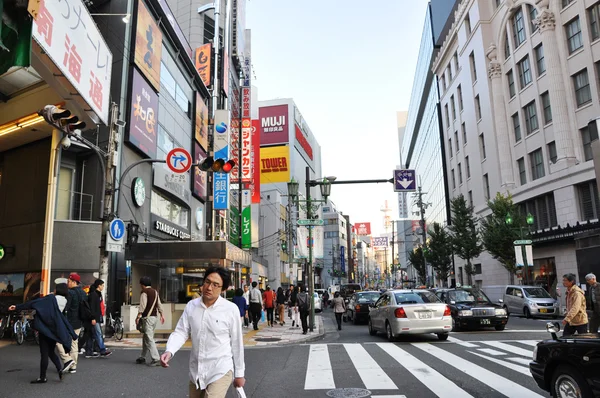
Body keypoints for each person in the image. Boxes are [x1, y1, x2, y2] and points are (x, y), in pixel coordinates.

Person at [161, 267, 245, 398]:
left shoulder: (230, 309)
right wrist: (169, 350)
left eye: (215, 285)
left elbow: (237, 343)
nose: (209, 287)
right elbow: (181, 332)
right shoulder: (191, 306)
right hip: (197, 371)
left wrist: (239, 373)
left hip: (220, 369)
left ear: (223, 289)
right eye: (207, 282)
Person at [9, 285, 77, 383]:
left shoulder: (50, 299)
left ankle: (42, 377)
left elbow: (33, 303)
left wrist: (17, 306)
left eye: (54, 288)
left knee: (44, 354)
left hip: (44, 329)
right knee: (51, 352)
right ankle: (59, 369)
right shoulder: (64, 301)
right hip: (54, 331)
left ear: (57, 290)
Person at [56, 273, 89, 374]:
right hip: (79, 322)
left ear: (74, 282)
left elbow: (66, 307)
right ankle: (73, 366)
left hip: (68, 322)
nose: (67, 283)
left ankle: (67, 359)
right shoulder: (83, 293)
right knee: (74, 343)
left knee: (58, 340)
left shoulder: (70, 293)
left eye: (69, 281)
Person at [136, 276, 165, 366]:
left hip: (147, 318)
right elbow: (159, 304)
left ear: (143, 284)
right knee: (146, 337)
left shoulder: (144, 292)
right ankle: (142, 357)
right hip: (154, 318)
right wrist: (162, 314)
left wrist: (138, 316)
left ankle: (156, 359)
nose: (140, 285)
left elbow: (143, 305)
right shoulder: (155, 292)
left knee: (149, 338)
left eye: (140, 284)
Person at [85, 279, 111, 358]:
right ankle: (102, 350)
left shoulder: (97, 295)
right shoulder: (94, 295)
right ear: (99, 286)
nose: (103, 287)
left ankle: (89, 351)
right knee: (98, 333)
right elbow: (92, 308)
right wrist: (93, 317)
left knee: (91, 334)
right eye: (102, 285)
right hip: (94, 318)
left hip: (95, 317)